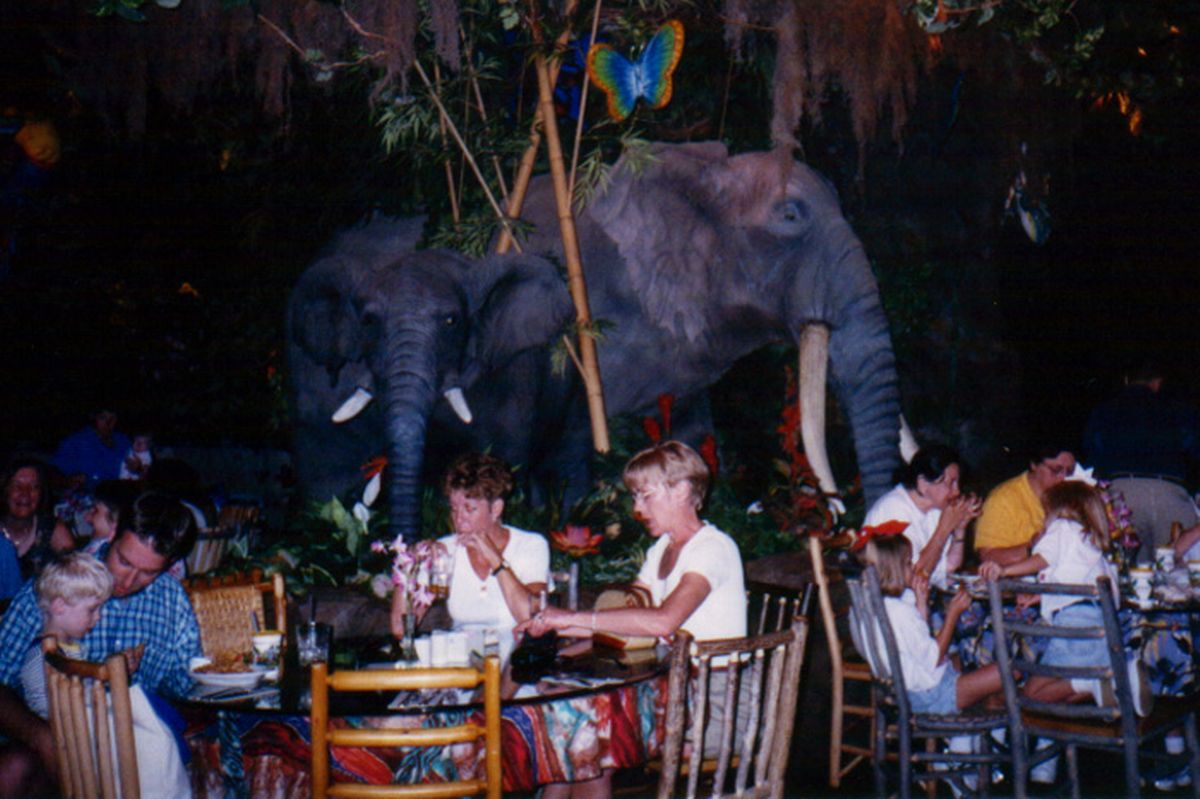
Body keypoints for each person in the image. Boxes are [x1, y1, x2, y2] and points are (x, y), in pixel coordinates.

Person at [517, 441, 745, 799]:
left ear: (682, 490)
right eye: (635, 497)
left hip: (717, 705)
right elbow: (626, 614)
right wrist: (553, 624)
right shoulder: (662, 550)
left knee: (581, 734)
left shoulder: (713, 548)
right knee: (570, 723)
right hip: (676, 689)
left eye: (645, 496)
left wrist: (573, 618)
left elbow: (662, 622)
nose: (637, 508)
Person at [0, 491, 201, 799]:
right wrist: (40, 735)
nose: (128, 579)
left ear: (170, 564)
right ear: (114, 532)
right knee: (14, 769)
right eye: (124, 560)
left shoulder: (172, 601)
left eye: (148, 572)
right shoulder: (61, 584)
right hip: (52, 741)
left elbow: (186, 687)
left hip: (135, 750)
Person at [19, 552, 191, 799]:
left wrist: (113, 673)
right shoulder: (43, 656)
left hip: (83, 732)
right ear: (58, 606)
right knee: (147, 731)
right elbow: (50, 708)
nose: (98, 617)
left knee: (149, 718)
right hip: (75, 743)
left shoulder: (67, 651)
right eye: (92, 609)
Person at [979, 480, 1124, 706]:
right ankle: (1100, 684)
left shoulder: (1062, 527)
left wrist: (1004, 570)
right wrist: (1040, 596)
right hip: (1100, 625)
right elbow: (1082, 586)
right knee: (1055, 693)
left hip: (1072, 627)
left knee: (1033, 695)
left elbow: (1041, 559)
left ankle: (1098, 684)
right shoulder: (1090, 542)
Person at [390, 453, 548, 639]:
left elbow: (531, 619)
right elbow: (400, 628)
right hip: (460, 659)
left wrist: (494, 558)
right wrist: (410, 566)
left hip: (516, 659)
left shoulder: (530, 545)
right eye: (454, 509)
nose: (458, 520)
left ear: (496, 509)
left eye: (469, 509)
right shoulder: (445, 552)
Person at [869, 534, 1004, 714]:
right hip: (928, 694)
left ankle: (964, 735)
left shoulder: (882, 605)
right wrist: (953, 614)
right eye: (908, 563)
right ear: (894, 570)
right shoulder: (900, 612)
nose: (914, 567)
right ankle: (991, 724)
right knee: (1009, 670)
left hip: (909, 688)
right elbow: (934, 658)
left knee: (972, 658)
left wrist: (921, 602)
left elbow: (920, 645)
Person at [1084, 362, 1200, 563]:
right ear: (1157, 383)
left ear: (1127, 381)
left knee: (1127, 567)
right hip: (1169, 493)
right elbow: (1195, 450)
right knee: (1177, 567)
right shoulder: (1179, 410)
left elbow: (1091, 456)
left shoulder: (1104, 411)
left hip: (1121, 496)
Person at [863, 445, 981, 590]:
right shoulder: (893, 511)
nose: (956, 491)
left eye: (957, 483)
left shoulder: (935, 509)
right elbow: (915, 578)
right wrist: (944, 529)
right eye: (950, 483)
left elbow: (949, 568)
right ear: (923, 483)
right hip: (892, 605)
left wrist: (960, 528)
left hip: (922, 601)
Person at [974, 444, 1076, 567]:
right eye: (1055, 470)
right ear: (1034, 464)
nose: (1063, 478)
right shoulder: (1003, 500)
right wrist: (1032, 548)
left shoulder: (1074, 495)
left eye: (1069, 472)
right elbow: (987, 556)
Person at [0, 458, 74, 580]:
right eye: (17, 486)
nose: (25, 494)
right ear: (4, 490)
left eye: (34, 487)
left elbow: (76, 577)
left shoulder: (53, 531)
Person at [51, 407, 133, 491]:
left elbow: (140, 472)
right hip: (84, 498)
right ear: (93, 418)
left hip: (119, 496)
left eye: (112, 418)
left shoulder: (124, 442)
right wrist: (68, 481)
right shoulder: (75, 442)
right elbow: (53, 475)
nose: (108, 423)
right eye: (103, 418)